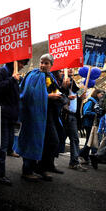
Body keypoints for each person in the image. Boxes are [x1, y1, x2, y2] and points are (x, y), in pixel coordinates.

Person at [17, 54, 66, 182]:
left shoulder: (50, 77)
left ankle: (41, 167)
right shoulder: (34, 75)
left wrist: (61, 95)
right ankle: (27, 170)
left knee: (52, 141)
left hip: (49, 114)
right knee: (33, 140)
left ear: (51, 65)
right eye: (41, 62)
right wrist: (49, 97)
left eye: (46, 63)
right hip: (35, 114)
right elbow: (28, 94)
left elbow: (55, 91)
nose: (43, 65)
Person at [60, 69, 87, 172]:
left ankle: (74, 162)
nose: (70, 69)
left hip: (73, 116)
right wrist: (67, 96)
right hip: (63, 115)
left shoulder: (73, 82)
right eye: (67, 67)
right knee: (57, 139)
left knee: (75, 139)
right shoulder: (61, 81)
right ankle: (46, 162)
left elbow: (77, 93)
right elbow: (58, 94)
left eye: (72, 67)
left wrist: (82, 95)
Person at [78, 89, 105, 164]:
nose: (102, 96)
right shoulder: (91, 101)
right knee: (89, 141)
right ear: (97, 94)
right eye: (101, 94)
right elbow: (86, 112)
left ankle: (85, 156)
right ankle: (80, 153)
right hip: (88, 123)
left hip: (92, 124)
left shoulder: (96, 101)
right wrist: (96, 114)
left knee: (90, 141)